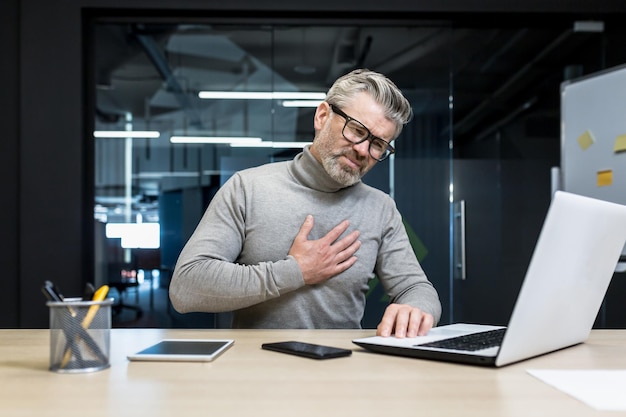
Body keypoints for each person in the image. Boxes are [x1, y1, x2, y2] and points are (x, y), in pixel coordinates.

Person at [169, 69, 441, 338]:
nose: (362, 150)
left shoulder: (380, 208)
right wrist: (296, 271)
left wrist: (415, 308)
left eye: (378, 144)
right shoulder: (247, 188)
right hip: (255, 372)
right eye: (357, 130)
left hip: (342, 372)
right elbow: (186, 288)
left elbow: (415, 287)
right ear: (322, 116)